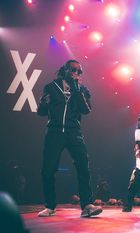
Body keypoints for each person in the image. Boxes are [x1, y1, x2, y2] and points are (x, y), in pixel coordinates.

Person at [37, 60, 102, 217]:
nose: (77, 73)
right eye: (73, 70)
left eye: (80, 71)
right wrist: (43, 104)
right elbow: (41, 112)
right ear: (65, 70)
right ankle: (50, 206)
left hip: (74, 132)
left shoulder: (82, 89)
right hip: (54, 132)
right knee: (48, 170)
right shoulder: (51, 87)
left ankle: (87, 205)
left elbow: (86, 110)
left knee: (83, 167)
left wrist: (76, 89)